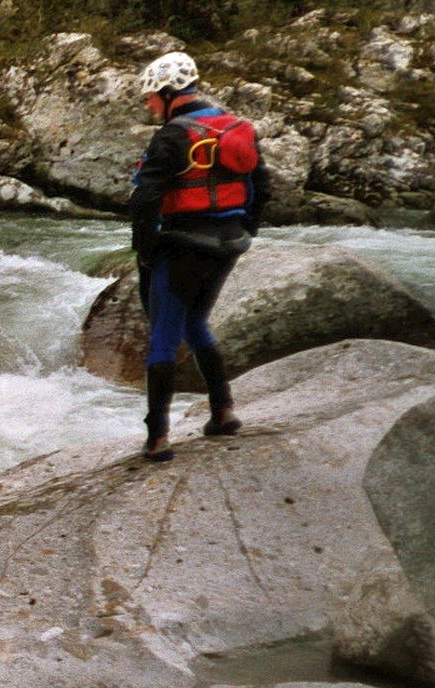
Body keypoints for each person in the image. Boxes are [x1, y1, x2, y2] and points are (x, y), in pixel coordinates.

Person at [129, 50, 271, 462]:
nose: (149, 104)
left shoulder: (173, 135)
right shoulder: (237, 127)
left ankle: (158, 437)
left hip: (183, 246)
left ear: (170, 93)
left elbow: (146, 197)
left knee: (164, 336)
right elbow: (262, 188)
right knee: (195, 322)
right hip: (227, 245)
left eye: (152, 96)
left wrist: (145, 250)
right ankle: (223, 411)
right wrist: (246, 231)